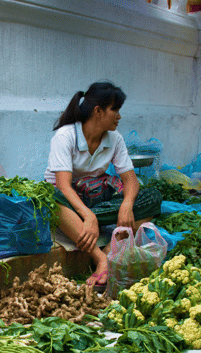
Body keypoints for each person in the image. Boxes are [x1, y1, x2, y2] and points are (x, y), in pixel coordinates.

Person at [44, 81, 162, 289]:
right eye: (114, 110)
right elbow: (62, 185)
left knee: (152, 197)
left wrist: (126, 205)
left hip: (95, 201)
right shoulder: (65, 136)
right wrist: (87, 216)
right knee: (48, 198)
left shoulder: (115, 139)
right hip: (69, 204)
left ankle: (110, 250)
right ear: (98, 111)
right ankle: (100, 259)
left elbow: (130, 180)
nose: (119, 116)